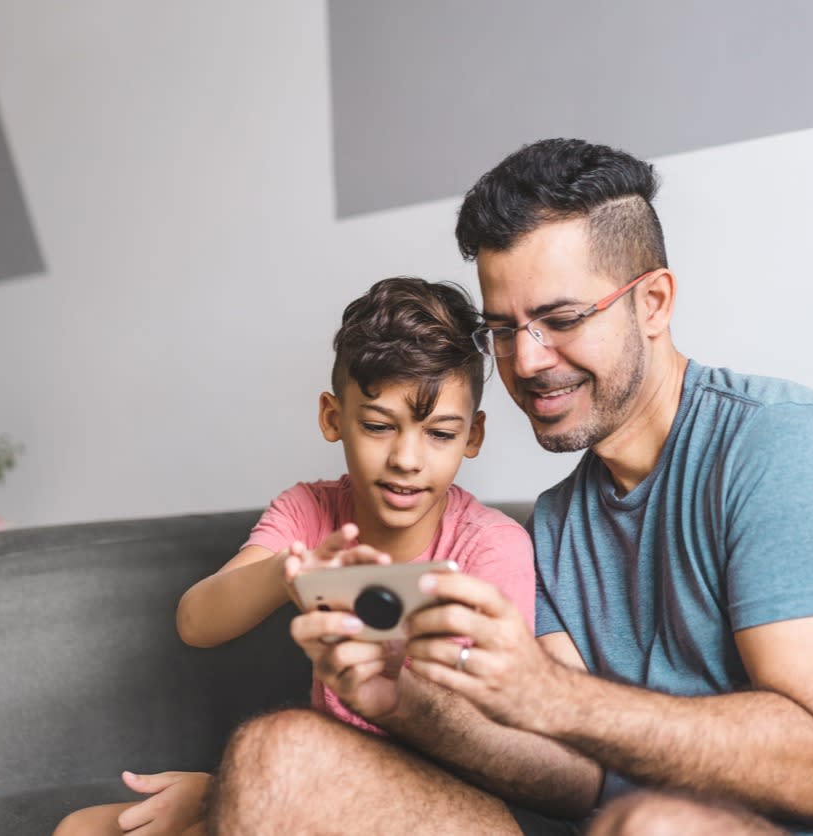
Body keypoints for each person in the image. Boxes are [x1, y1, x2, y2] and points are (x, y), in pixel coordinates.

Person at [207, 139, 813, 836]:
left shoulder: (781, 447)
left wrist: (549, 694)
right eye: (503, 328)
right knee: (277, 755)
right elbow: (577, 780)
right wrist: (400, 700)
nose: (525, 360)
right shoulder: (555, 526)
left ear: (652, 303)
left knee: (652, 826)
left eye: (560, 319)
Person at [53, 276, 537, 835]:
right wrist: (290, 574)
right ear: (333, 419)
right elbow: (196, 621)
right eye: (379, 427)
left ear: (472, 435)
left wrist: (244, 788)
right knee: (81, 829)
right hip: (314, 778)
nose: (407, 458)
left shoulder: (490, 547)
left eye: (440, 434)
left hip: (430, 801)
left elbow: (487, 733)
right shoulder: (311, 509)